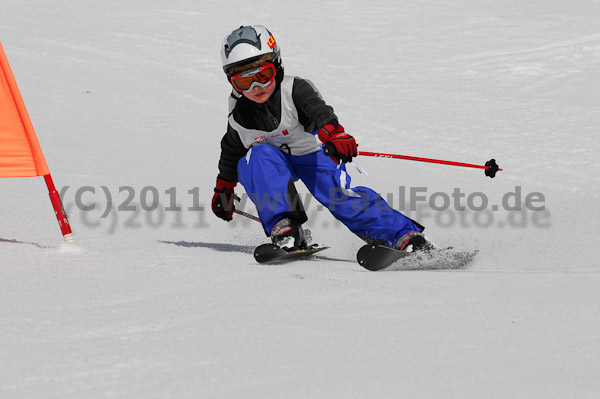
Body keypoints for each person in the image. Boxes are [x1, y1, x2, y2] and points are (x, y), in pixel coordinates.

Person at [211, 25, 433, 253]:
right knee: (258, 156)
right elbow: (230, 151)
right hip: (272, 163)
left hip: (313, 154)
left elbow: (319, 112)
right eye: (244, 82)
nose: (256, 87)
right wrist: (224, 189)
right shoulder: (239, 114)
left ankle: (403, 236)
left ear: (276, 67)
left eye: (263, 76)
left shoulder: (294, 89)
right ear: (232, 82)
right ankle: (285, 229)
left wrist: (335, 135)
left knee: (339, 198)